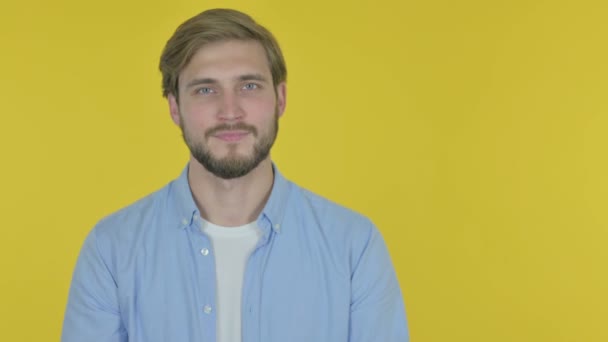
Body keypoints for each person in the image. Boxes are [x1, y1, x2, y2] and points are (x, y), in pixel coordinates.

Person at [62, 8, 408, 342]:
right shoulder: (112, 250)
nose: (230, 111)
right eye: (206, 90)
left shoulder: (354, 247)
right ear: (174, 108)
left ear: (280, 98)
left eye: (249, 86)